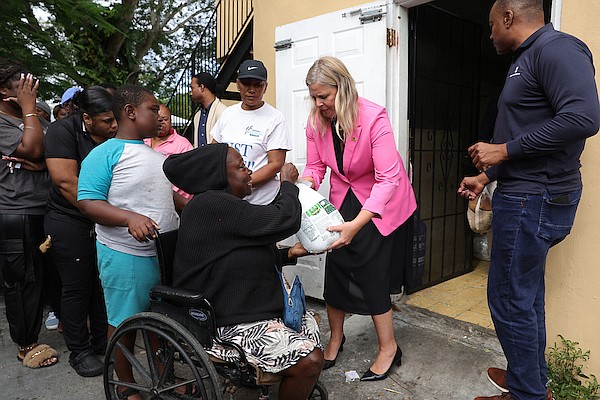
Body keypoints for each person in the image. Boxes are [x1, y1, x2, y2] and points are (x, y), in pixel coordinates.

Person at [457, 1, 600, 399]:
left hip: (533, 200)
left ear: (508, 17)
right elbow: (531, 130)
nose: (489, 34)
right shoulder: (529, 58)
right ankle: (531, 385)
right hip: (527, 194)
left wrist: (502, 152)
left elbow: (583, 118)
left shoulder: (556, 49)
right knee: (525, 297)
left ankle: (528, 394)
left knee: (507, 299)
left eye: (491, 25)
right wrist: (487, 175)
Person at [163, 143, 324, 400]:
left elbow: (239, 254)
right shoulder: (212, 204)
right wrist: (288, 185)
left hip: (249, 308)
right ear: (219, 176)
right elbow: (281, 219)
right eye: (240, 166)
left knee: (310, 327)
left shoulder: (220, 205)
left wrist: (289, 254)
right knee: (310, 361)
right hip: (225, 322)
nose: (249, 171)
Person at [302, 56, 417, 381]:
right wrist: (305, 186)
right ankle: (336, 339)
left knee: (370, 273)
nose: (319, 103)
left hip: (380, 202)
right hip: (344, 201)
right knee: (336, 271)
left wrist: (358, 223)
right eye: (314, 96)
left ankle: (388, 348)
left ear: (343, 89)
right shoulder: (315, 122)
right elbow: (316, 168)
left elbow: (388, 179)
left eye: (324, 96)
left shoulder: (373, 117)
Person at [77, 85, 180, 400]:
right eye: (153, 108)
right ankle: (125, 385)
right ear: (131, 112)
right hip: (125, 254)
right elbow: (87, 201)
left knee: (161, 326)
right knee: (125, 324)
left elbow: (168, 196)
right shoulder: (105, 153)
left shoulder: (154, 154)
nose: (161, 114)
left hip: (161, 254)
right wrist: (128, 218)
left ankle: (163, 381)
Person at [44, 86, 117, 377]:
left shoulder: (111, 133)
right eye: (107, 121)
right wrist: (103, 213)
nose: (114, 125)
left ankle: (102, 341)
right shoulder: (62, 132)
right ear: (87, 118)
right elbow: (65, 182)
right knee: (77, 287)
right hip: (69, 219)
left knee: (101, 284)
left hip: (102, 218)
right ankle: (79, 351)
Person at [0, 57, 59, 369]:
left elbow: (50, 155)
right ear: (2, 90)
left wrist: (37, 159)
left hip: (44, 209)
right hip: (15, 211)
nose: (30, 89)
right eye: (21, 85)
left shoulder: (37, 121)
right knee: (22, 280)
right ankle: (26, 344)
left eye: (31, 83)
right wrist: (28, 108)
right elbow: (36, 151)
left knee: (45, 276)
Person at [211, 60, 292, 205]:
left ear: (265, 86)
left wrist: (242, 184)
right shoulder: (228, 114)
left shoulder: (275, 118)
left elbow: (276, 164)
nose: (251, 89)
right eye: (246, 83)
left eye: (257, 84)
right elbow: (213, 152)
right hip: (227, 199)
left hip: (261, 202)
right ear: (237, 84)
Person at [143, 103, 193, 199]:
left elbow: (189, 176)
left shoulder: (182, 145)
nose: (161, 123)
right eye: (158, 120)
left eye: (165, 119)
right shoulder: (142, 141)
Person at [187, 72, 227, 148]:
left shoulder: (223, 112)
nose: (191, 93)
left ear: (201, 87)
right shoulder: (197, 115)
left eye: (192, 88)